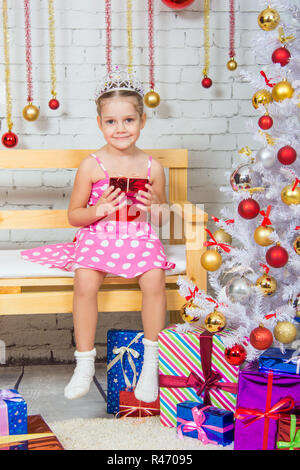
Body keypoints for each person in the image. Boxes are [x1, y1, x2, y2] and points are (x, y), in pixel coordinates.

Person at [21, 68, 176, 404]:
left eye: (128, 120)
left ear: (142, 121)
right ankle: (85, 361)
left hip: (137, 234)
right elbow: (74, 215)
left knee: (154, 279)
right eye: (111, 122)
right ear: (99, 123)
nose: (120, 129)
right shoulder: (91, 166)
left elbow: (165, 215)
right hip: (99, 232)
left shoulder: (153, 167)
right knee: (85, 280)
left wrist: (155, 205)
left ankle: (152, 362)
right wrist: (99, 209)